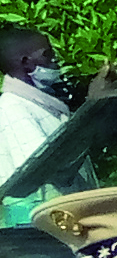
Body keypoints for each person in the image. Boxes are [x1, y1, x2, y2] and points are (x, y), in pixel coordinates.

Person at [0, 26, 68, 177]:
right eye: (47, 54)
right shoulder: (13, 107)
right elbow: (44, 168)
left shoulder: (39, 102)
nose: (55, 59)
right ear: (26, 63)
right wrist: (93, 101)